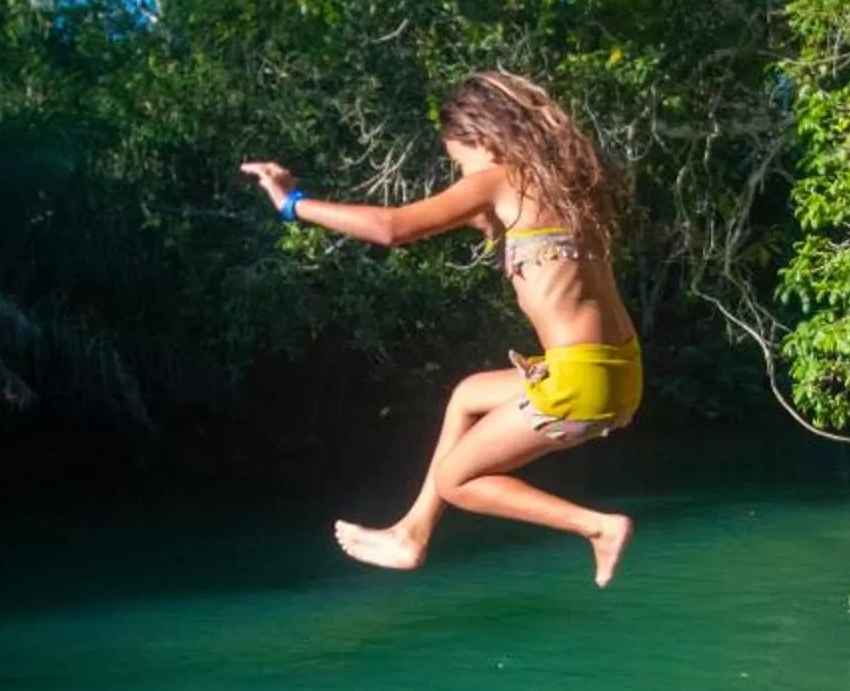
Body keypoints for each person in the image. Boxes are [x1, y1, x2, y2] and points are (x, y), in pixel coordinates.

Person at [241, 72, 638, 587]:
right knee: (469, 394)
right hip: (619, 371)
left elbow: (393, 227)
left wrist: (293, 203)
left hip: (581, 384)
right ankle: (412, 534)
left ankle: (597, 527)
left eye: (458, 161)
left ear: (484, 136)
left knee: (457, 478)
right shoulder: (563, 187)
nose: (461, 172)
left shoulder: (500, 179)